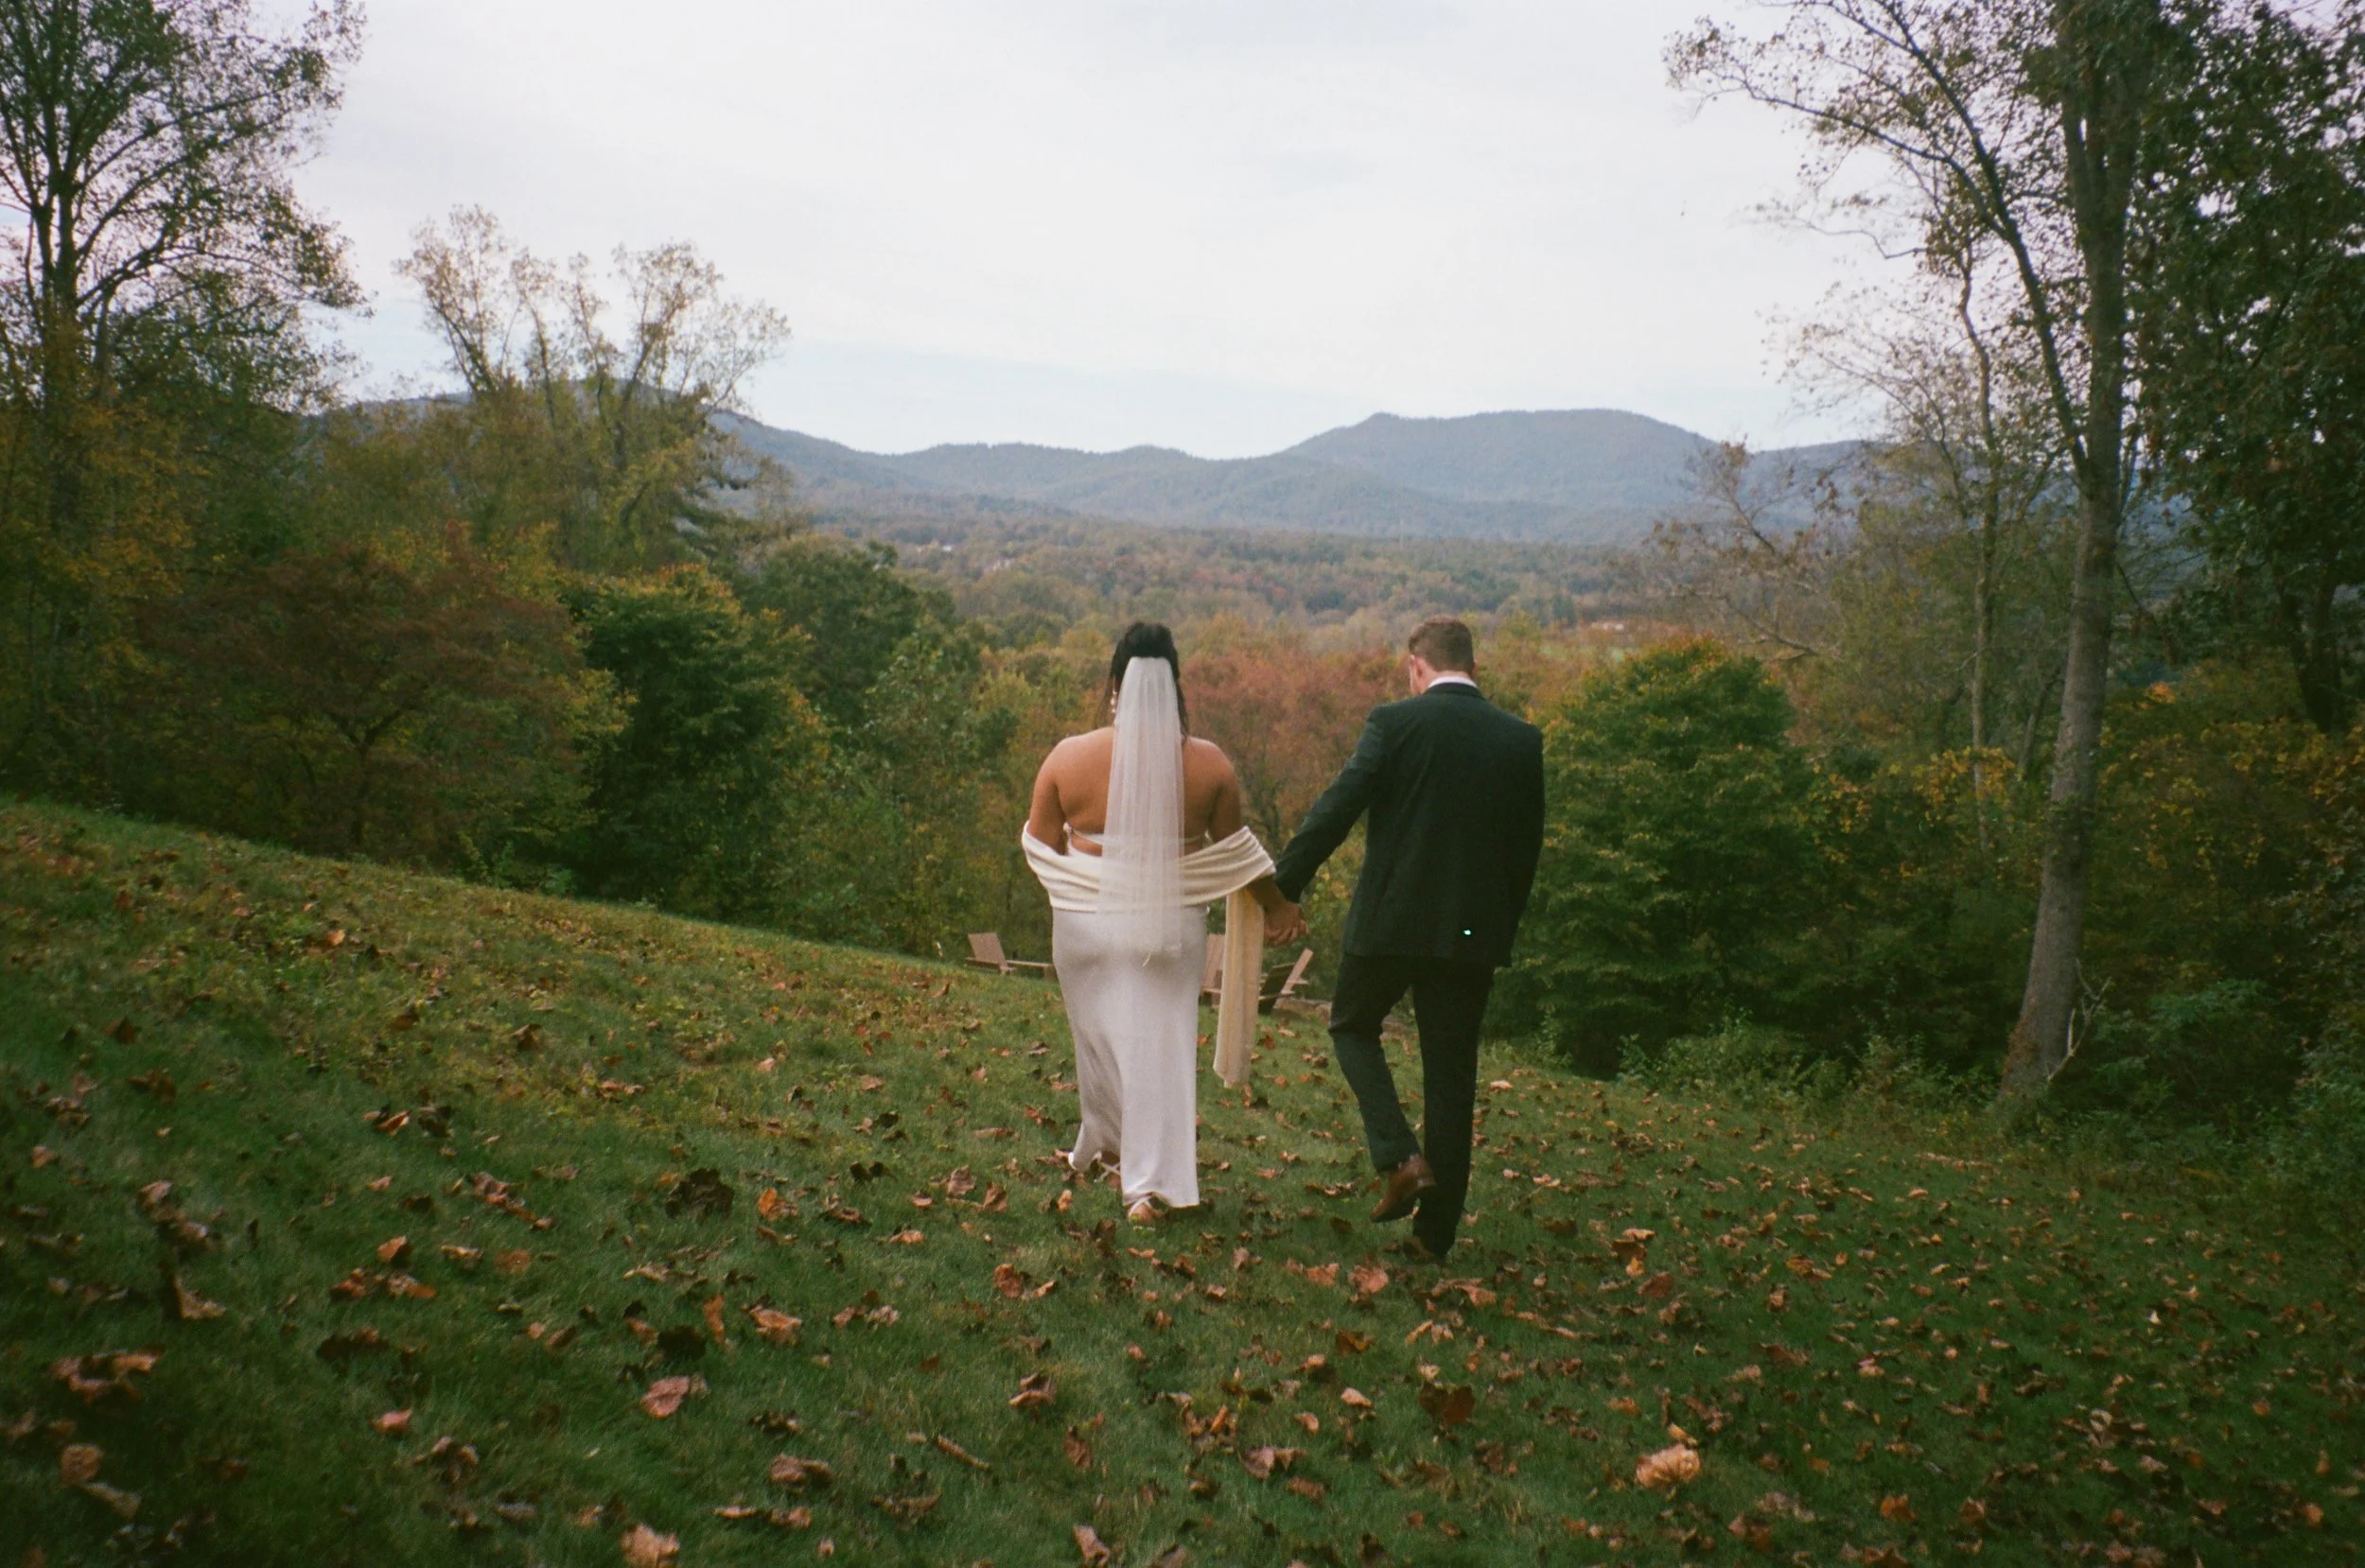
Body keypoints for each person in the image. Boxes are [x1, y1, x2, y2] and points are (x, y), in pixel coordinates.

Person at [1270, 616, 1544, 1261]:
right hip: (1471, 931)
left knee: (1352, 1025)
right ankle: (1434, 1238)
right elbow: (1522, 854)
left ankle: (1398, 1156)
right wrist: (1495, 932)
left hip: (1391, 923)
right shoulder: (1519, 740)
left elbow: (1336, 809)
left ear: (1415, 666)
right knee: (1452, 1075)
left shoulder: (1395, 724)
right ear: (1472, 667)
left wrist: (1282, 887)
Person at [1022, 622, 1302, 1223]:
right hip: (1170, 929)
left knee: (1096, 1040)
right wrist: (1278, 907)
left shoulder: (1068, 756)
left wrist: (1088, 888)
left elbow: (1040, 845)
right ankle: (1146, 1185)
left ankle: (1101, 1144)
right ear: (1175, 684)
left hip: (1085, 928)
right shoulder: (1209, 764)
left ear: (1115, 685)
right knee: (1161, 1050)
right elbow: (1234, 854)